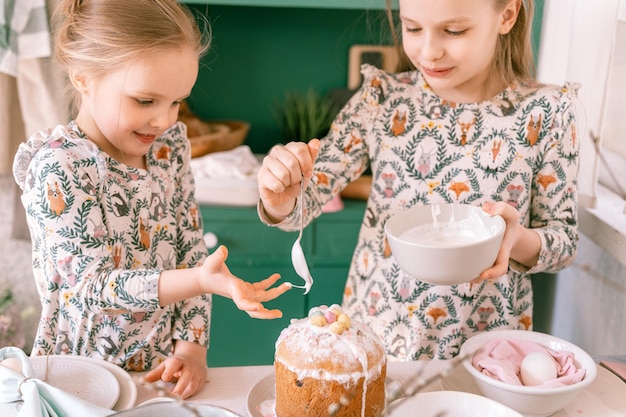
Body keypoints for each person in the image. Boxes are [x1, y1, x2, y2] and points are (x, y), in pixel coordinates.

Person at [256, 0, 579, 361]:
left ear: (506, 15)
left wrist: (515, 239)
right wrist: (279, 197)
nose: (428, 51)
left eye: (454, 31)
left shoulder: (546, 112)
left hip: (489, 353)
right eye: (412, 28)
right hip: (377, 345)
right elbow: (305, 201)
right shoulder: (383, 99)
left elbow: (563, 243)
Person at [12, 0, 290, 400]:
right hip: (78, 387)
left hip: (159, 382)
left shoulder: (168, 148)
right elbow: (91, 288)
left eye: (177, 101)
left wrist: (192, 349)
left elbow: (191, 249)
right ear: (83, 78)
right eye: (145, 101)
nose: (165, 120)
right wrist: (198, 280)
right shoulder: (59, 166)